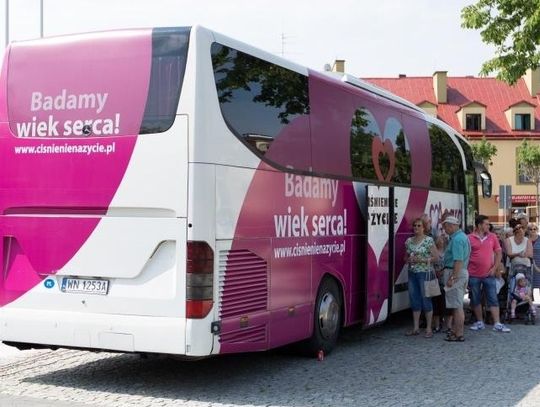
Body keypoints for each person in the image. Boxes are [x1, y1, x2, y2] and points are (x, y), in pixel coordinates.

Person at [467, 215, 510, 333]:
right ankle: (480, 322)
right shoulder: (469, 238)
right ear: (479, 225)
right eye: (486, 224)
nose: (488, 226)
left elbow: (498, 253)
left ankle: (497, 323)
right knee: (475, 299)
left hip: (489, 273)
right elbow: (466, 256)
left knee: (492, 298)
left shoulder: (492, 237)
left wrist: (495, 268)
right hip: (473, 273)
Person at [404, 217, 438, 338]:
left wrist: (422, 260)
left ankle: (429, 328)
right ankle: (416, 327)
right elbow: (405, 257)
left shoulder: (428, 240)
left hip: (424, 272)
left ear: (424, 227)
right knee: (414, 299)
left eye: (419, 226)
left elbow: (436, 257)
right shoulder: (408, 241)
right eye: (415, 226)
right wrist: (409, 259)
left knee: (426, 299)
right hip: (412, 272)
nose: (416, 228)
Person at [442, 216, 471, 342]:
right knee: (456, 304)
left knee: (457, 305)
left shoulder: (457, 239)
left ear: (452, 226)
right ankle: (455, 331)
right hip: (460, 272)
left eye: (446, 227)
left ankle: (458, 333)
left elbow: (458, 260)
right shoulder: (462, 237)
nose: (445, 229)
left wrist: (452, 277)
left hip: (456, 272)